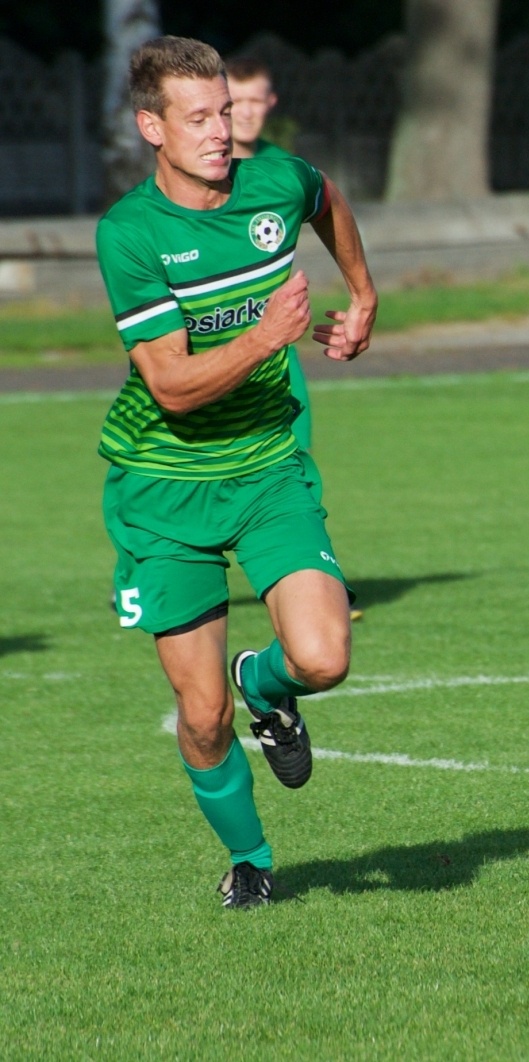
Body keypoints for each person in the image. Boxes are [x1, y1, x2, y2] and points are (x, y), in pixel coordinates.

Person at [96, 37, 377, 909]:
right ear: (152, 127)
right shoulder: (131, 234)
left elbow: (324, 198)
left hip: (266, 466)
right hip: (161, 491)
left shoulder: (273, 181)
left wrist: (362, 296)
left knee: (324, 657)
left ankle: (269, 683)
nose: (223, 132)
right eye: (199, 118)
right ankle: (251, 859)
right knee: (204, 716)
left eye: (226, 112)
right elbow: (173, 387)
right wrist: (263, 336)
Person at [226, 55, 314, 457]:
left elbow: (333, 208)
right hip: (211, 342)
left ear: (271, 103)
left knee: (295, 468)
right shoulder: (191, 172)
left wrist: (361, 291)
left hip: (276, 351)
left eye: (254, 101)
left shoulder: (285, 172)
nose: (245, 112)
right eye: (235, 100)